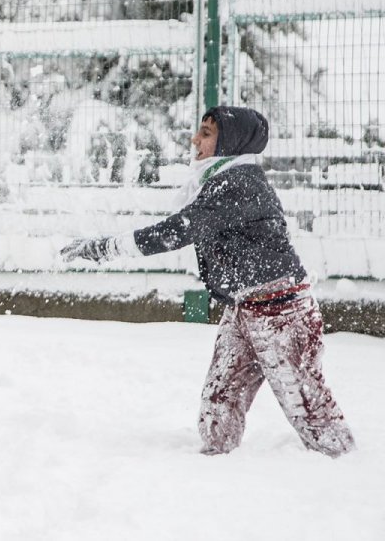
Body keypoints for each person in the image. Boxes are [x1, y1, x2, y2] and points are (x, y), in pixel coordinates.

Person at [60, 106, 355, 458]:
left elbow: (177, 231)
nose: (194, 139)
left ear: (230, 142)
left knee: (305, 402)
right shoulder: (220, 179)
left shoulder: (239, 183)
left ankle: (343, 462)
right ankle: (215, 464)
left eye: (206, 133)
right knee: (220, 399)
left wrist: (105, 248)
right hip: (245, 306)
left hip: (281, 312)